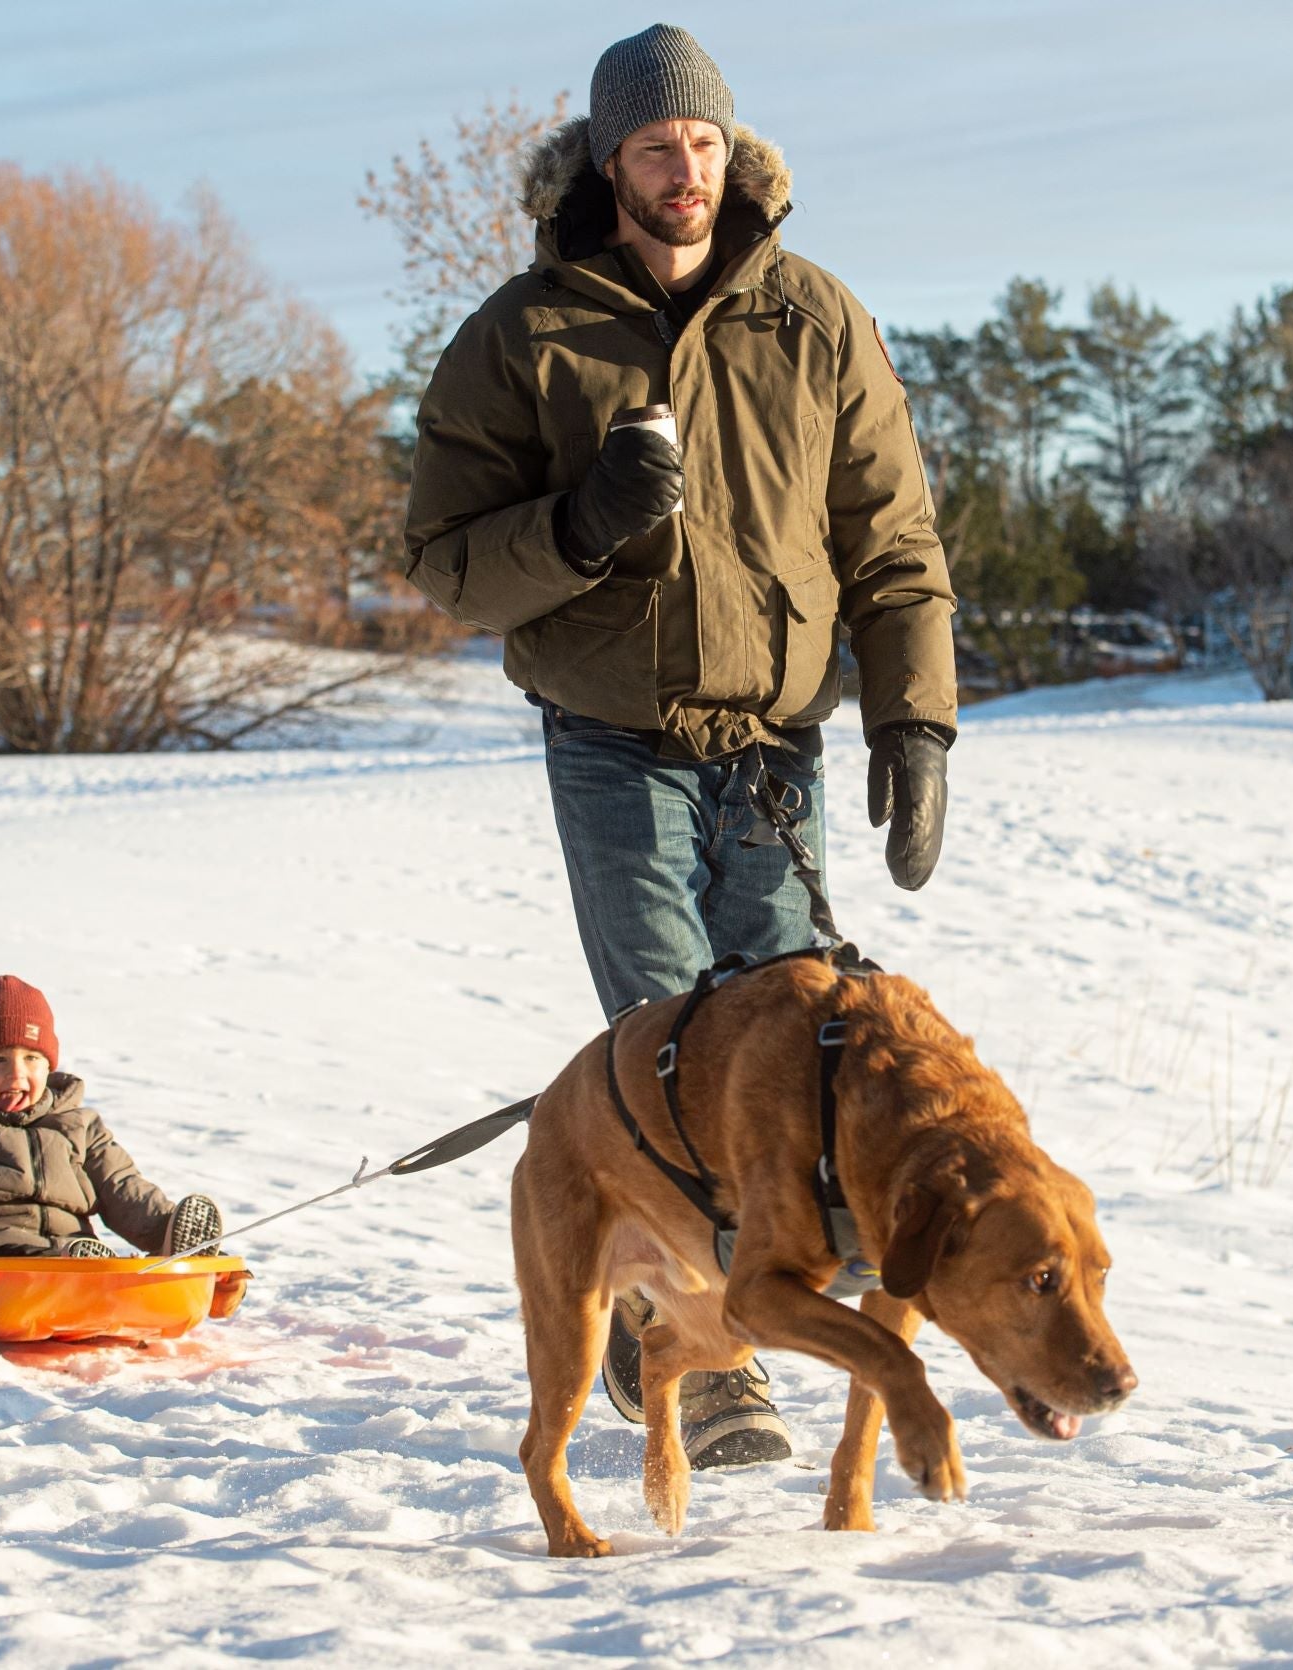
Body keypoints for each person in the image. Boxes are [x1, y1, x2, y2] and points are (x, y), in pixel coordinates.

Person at [404, 25, 958, 1470]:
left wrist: (916, 714)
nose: (685, 170)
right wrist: (582, 527)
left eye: (705, 143)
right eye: (656, 148)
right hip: (611, 739)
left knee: (790, 1055)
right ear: (608, 162)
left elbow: (892, 540)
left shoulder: (812, 318)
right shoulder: (523, 334)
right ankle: (695, 1363)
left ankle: (750, 1318)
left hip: (773, 739)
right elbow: (450, 564)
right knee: (663, 1043)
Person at [0, 975, 224, 1293]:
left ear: (50, 1066)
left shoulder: (78, 1127)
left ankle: (178, 1269)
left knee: (91, 1259)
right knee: (63, 1263)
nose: (17, 1076)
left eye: (32, 1059)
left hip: (69, 1254)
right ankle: (79, 1273)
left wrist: (173, 1237)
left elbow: (124, 1190)